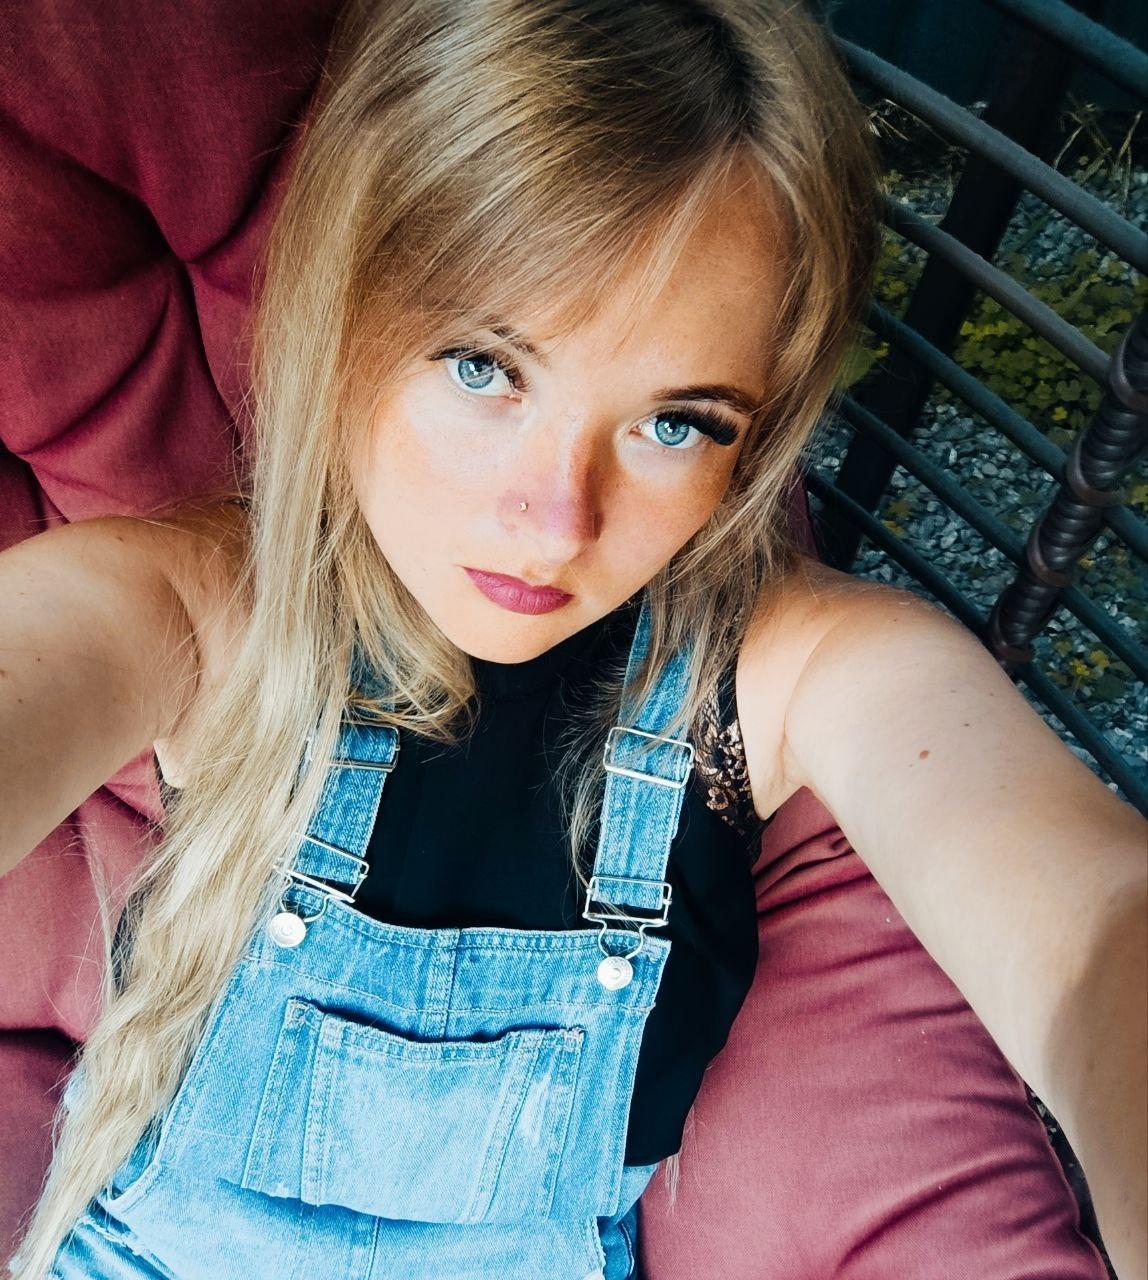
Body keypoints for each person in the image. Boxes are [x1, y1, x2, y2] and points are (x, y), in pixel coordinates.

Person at [1, 1, 1144, 1277]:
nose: (557, 519)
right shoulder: (203, 610)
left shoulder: (788, 674)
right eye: (483, 367)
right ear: (344, 308)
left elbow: (1098, 930)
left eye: (675, 423)